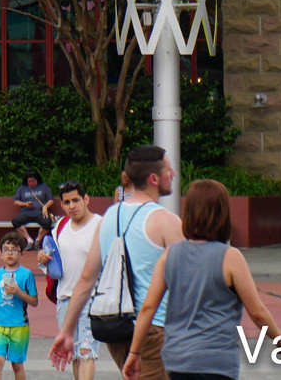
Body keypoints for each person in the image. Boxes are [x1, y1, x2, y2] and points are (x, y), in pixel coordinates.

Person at [122, 181, 281, 380]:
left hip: (178, 360)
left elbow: (148, 308)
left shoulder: (170, 255)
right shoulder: (231, 257)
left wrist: (135, 353)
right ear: (222, 215)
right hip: (217, 362)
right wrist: (280, 341)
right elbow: (257, 312)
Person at [51, 145, 183, 380]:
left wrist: (68, 330)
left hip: (116, 326)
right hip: (155, 329)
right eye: (168, 170)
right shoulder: (166, 221)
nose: (173, 173)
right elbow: (187, 282)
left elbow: (87, 278)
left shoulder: (110, 216)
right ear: (154, 178)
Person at [46, 182, 103, 380]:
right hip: (65, 298)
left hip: (92, 298)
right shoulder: (60, 227)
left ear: (86, 200)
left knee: (87, 351)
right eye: (67, 202)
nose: (72, 206)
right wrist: (42, 259)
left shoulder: (100, 225)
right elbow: (52, 261)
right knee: (74, 355)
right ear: (61, 205)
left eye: (76, 200)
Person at [0, 233, 38, 380]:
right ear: (0, 254)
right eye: (6, 249)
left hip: (19, 325)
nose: (9, 253)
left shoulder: (26, 275)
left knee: (17, 364)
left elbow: (34, 301)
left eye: (14, 249)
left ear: (22, 253)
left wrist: (18, 292)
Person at [11, 173, 52, 250]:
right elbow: (16, 201)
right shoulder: (22, 188)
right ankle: (29, 240)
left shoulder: (44, 187)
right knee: (15, 221)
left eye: (33, 181)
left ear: (37, 180)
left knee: (47, 223)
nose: (31, 183)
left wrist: (45, 206)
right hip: (26, 212)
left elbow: (51, 200)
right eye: (29, 181)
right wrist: (25, 204)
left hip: (40, 212)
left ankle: (38, 240)